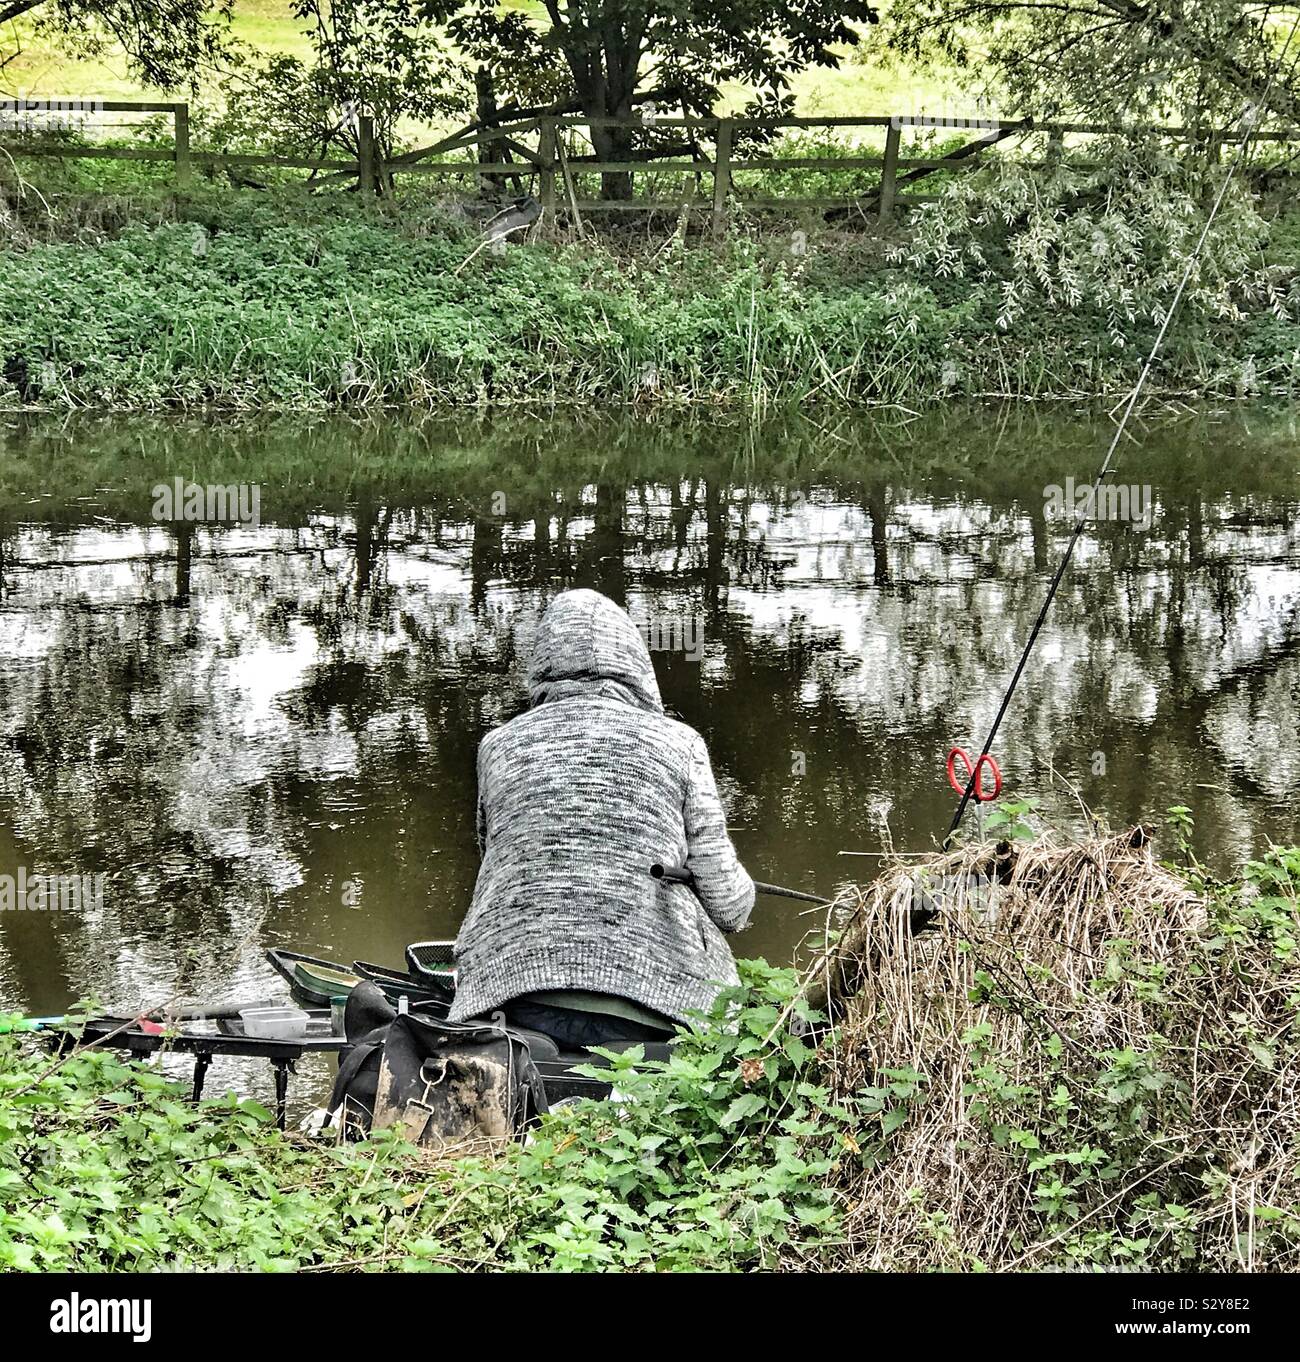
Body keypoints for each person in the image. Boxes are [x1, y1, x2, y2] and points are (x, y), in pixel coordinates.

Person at [448, 588, 755, 1051]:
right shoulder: (679, 744)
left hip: (513, 998)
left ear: (543, 663)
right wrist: (744, 889)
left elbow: (493, 854)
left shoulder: (498, 745)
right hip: (654, 1006)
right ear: (635, 662)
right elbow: (729, 908)